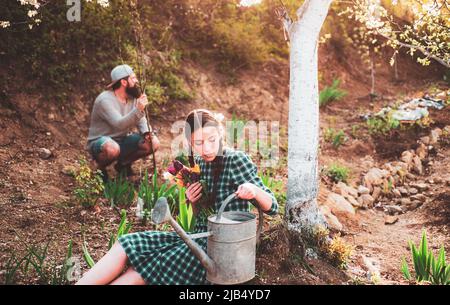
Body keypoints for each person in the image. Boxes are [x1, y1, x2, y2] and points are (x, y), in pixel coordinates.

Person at [76, 109, 278, 285]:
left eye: (212, 140)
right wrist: (192, 201)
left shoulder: (236, 160)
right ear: (190, 143)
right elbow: (201, 216)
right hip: (196, 238)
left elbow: (273, 206)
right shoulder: (199, 164)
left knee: (143, 270)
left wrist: (253, 190)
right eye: (198, 143)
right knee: (128, 244)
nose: (206, 148)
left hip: (219, 250)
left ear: (221, 134)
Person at [86, 64, 160, 182]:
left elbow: (141, 119)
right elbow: (119, 124)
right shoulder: (104, 100)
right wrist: (138, 109)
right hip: (101, 143)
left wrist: (147, 132)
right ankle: (99, 169)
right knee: (112, 149)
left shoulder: (133, 97)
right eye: (133, 78)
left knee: (153, 143)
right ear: (124, 82)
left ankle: (123, 164)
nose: (137, 81)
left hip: (122, 141)